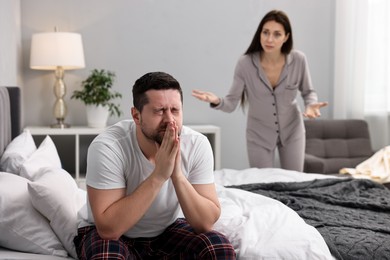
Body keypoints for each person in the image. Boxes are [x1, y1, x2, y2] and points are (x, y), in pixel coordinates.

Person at [73, 71, 236, 260]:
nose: (169, 120)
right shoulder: (108, 147)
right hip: (112, 235)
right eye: (159, 111)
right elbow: (109, 229)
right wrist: (158, 176)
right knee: (107, 256)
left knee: (218, 247)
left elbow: (205, 223)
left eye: (175, 110)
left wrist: (177, 176)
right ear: (136, 115)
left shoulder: (196, 144)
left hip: (166, 230)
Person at [192, 10, 328, 172]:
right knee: (263, 183)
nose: (269, 39)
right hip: (258, 135)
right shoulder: (245, 64)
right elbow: (231, 104)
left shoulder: (299, 60)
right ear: (260, 34)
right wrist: (216, 101)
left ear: (286, 37)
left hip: (293, 131)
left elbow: (308, 92)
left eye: (277, 34)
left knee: (294, 181)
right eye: (265, 32)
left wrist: (311, 105)